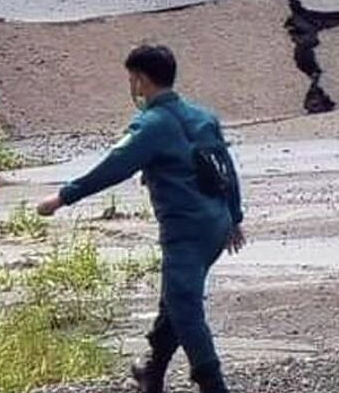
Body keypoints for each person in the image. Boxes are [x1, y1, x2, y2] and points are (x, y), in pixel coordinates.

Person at [36, 45, 246, 393]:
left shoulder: (151, 126)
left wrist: (61, 197)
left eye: (132, 78)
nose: (132, 86)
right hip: (216, 225)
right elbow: (227, 170)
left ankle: (213, 384)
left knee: (185, 308)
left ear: (141, 80)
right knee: (175, 300)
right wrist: (235, 217)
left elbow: (113, 168)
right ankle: (152, 371)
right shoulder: (203, 117)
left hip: (186, 232)